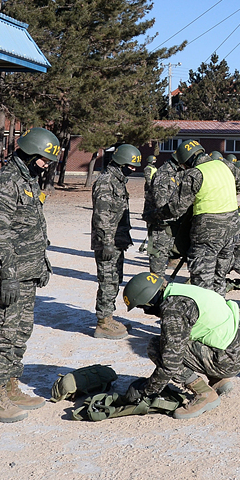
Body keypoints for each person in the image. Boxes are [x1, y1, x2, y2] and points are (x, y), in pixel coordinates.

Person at [0, 127, 60, 422]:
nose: (46, 164)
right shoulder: (5, 183)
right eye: (43, 158)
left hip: (27, 272)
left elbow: (32, 230)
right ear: (29, 152)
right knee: (3, 333)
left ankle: (11, 385)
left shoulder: (27, 181)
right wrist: (8, 275)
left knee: (20, 332)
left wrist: (42, 264)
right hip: (7, 275)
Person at [121, 272, 240, 419]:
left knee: (156, 347)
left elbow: (170, 363)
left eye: (142, 307)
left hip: (227, 360)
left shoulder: (174, 309)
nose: (145, 311)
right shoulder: (181, 290)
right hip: (239, 350)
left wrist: (147, 390)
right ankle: (218, 381)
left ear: (149, 300)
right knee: (179, 340)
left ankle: (204, 393)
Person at [162, 139, 240, 294]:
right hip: (231, 232)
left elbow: (176, 208)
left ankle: (205, 314)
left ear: (186, 161)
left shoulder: (194, 174)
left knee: (202, 281)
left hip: (207, 235)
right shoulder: (225, 165)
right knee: (219, 277)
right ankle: (219, 311)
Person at [91, 143, 141, 339]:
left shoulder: (118, 181)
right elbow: (101, 215)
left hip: (116, 240)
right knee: (107, 280)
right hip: (108, 242)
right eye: (131, 165)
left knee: (114, 279)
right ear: (121, 163)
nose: (134, 169)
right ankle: (103, 322)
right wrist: (107, 242)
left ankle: (108, 316)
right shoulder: (106, 182)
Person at [143, 154, 183, 276]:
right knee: (158, 256)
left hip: (170, 223)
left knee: (170, 250)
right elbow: (162, 204)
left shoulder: (176, 173)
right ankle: (157, 284)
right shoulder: (163, 175)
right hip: (161, 224)